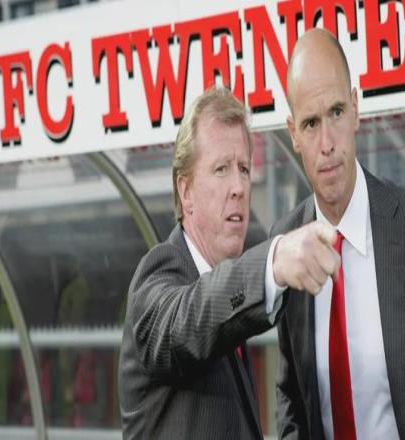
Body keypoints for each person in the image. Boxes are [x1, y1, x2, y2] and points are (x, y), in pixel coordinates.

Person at [272, 28, 405, 439]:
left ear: (355, 108)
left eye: (336, 112)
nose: (327, 143)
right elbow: (290, 393)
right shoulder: (288, 248)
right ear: (293, 133)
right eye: (311, 123)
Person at [118, 86, 339, 439]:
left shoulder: (228, 302)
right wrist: (272, 262)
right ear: (186, 192)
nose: (239, 187)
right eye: (221, 169)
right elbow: (189, 318)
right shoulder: (158, 273)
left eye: (244, 169)